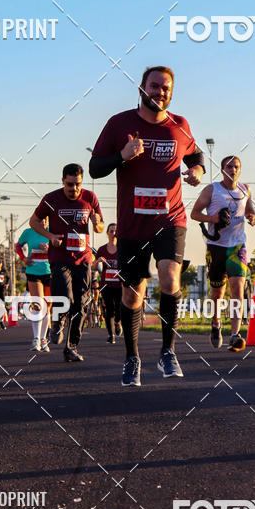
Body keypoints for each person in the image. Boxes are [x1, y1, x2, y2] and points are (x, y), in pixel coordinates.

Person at [90, 65, 204, 386]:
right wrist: (121, 156)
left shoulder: (179, 126)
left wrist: (197, 171)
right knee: (132, 296)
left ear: (172, 92)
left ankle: (168, 351)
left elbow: (195, 156)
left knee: (170, 279)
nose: (160, 92)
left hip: (170, 218)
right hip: (132, 225)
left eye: (166, 88)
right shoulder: (119, 124)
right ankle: (132, 357)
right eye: (154, 86)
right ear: (142, 89)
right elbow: (95, 167)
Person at [30, 163, 104, 362]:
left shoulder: (90, 198)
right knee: (67, 297)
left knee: (80, 305)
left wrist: (97, 223)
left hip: (83, 258)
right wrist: (50, 235)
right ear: (63, 181)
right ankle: (57, 321)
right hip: (60, 258)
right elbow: (33, 221)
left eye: (78, 184)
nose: (74, 189)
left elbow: (99, 228)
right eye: (70, 185)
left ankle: (71, 347)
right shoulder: (51, 199)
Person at [191, 155, 255, 351]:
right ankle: (216, 323)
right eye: (229, 167)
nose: (233, 170)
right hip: (216, 247)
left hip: (237, 247)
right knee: (217, 293)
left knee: (238, 287)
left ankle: (235, 334)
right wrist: (213, 218)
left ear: (240, 169)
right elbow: (194, 214)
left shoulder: (245, 190)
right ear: (222, 169)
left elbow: (251, 211)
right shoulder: (212, 190)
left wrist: (253, 217)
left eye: (236, 167)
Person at [17, 220, 52, 352]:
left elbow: (61, 247)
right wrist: (23, 258)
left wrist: (50, 249)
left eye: (45, 219)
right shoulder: (28, 232)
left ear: (48, 220)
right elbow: (17, 246)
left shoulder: (52, 231)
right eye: (39, 219)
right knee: (38, 304)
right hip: (33, 271)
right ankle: (36, 339)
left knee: (47, 307)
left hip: (50, 272)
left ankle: (43, 339)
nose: (42, 222)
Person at [96, 223, 121, 343]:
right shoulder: (102, 249)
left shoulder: (122, 249)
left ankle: (117, 322)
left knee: (119, 308)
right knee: (109, 309)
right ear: (107, 233)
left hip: (120, 284)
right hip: (106, 284)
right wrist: (98, 261)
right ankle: (111, 335)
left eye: (116, 231)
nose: (113, 233)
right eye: (111, 231)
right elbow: (92, 267)